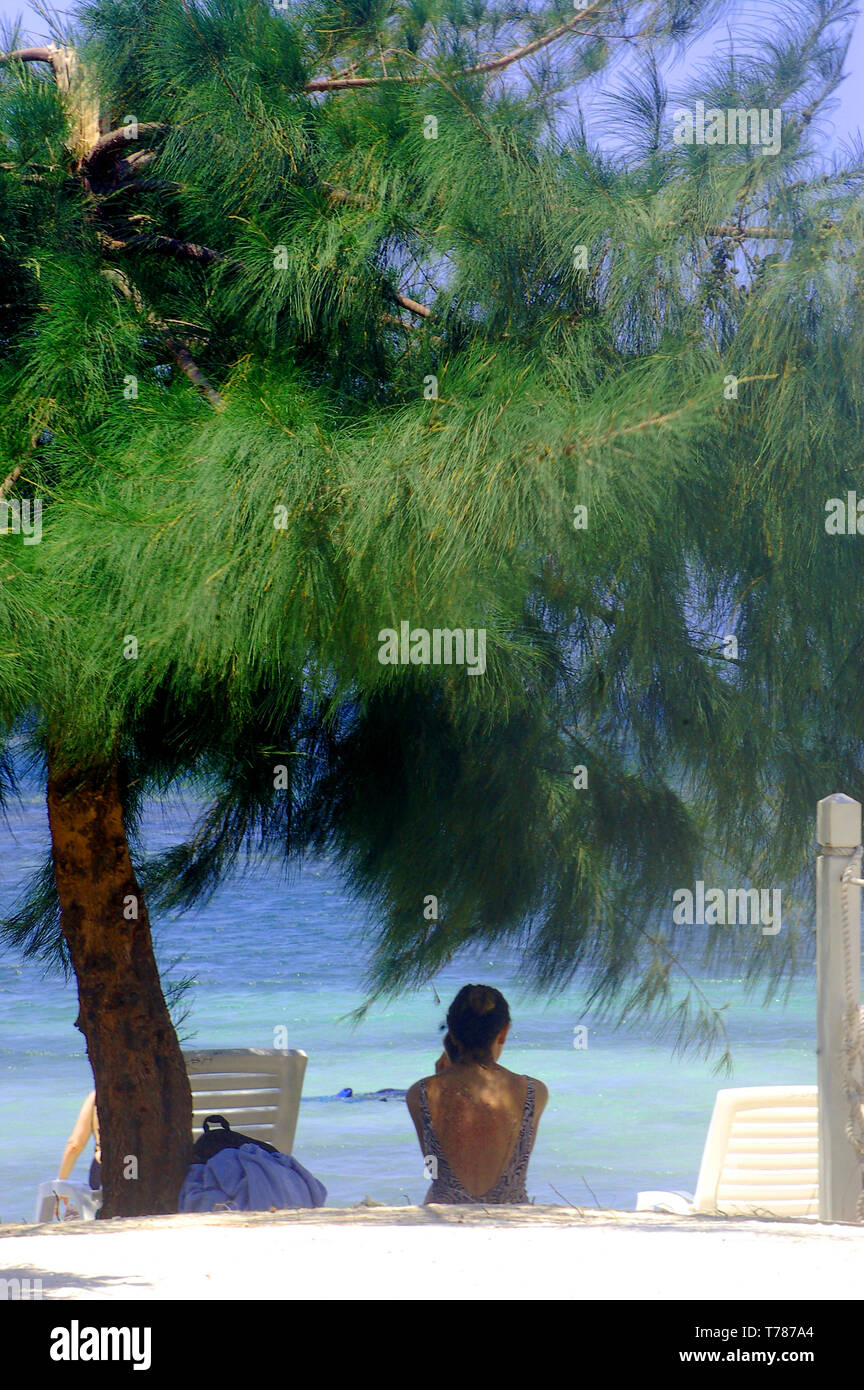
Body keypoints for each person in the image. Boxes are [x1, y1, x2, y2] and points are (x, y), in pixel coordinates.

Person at [406, 984, 548, 1204]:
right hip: (512, 1221)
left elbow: (436, 1171)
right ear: (503, 1032)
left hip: (446, 1220)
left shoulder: (421, 1094)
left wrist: (447, 1074)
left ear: (452, 1035)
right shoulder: (534, 1091)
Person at [59, 1090, 101, 1190]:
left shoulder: (96, 1096)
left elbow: (75, 1145)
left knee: (102, 1203)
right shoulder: (143, 1092)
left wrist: (61, 1183)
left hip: (103, 1166)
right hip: (134, 1163)